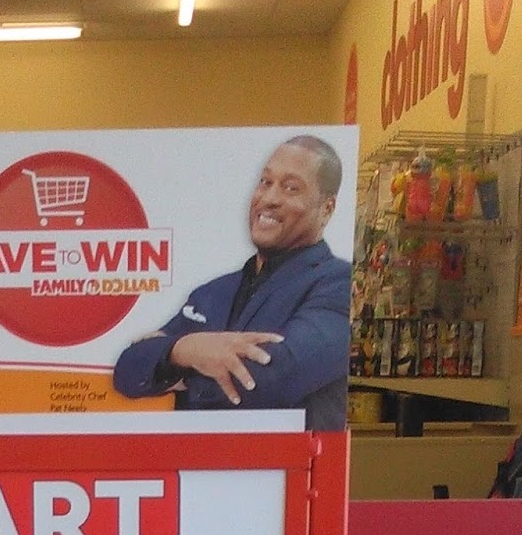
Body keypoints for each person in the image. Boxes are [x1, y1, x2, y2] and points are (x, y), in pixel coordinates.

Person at [113, 135, 352, 430]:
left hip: (285, 460)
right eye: (265, 182)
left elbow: (271, 380)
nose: (269, 198)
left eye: (291, 188)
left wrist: (175, 372)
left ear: (327, 208)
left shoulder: (338, 284)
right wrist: (185, 348)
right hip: (197, 461)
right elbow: (127, 371)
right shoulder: (212, 292)